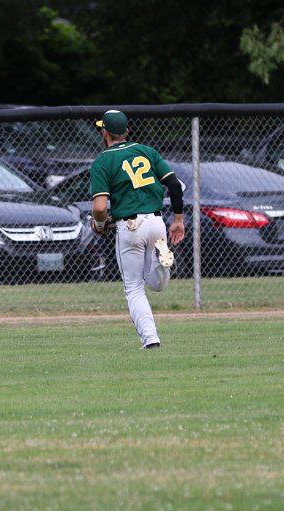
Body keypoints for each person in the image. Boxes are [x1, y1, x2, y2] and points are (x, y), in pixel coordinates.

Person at [90, 109, 185, 349]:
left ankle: (150, 339)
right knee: (157, 285)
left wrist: (99, 224)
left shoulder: (103, 161)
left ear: (105, 133)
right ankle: (161, 261)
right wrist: (178, 220)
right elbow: (174, 185)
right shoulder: (147, 151)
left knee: (134, 288)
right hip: (157, 223)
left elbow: (100, 207)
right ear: (127, 131)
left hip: (130, 226)